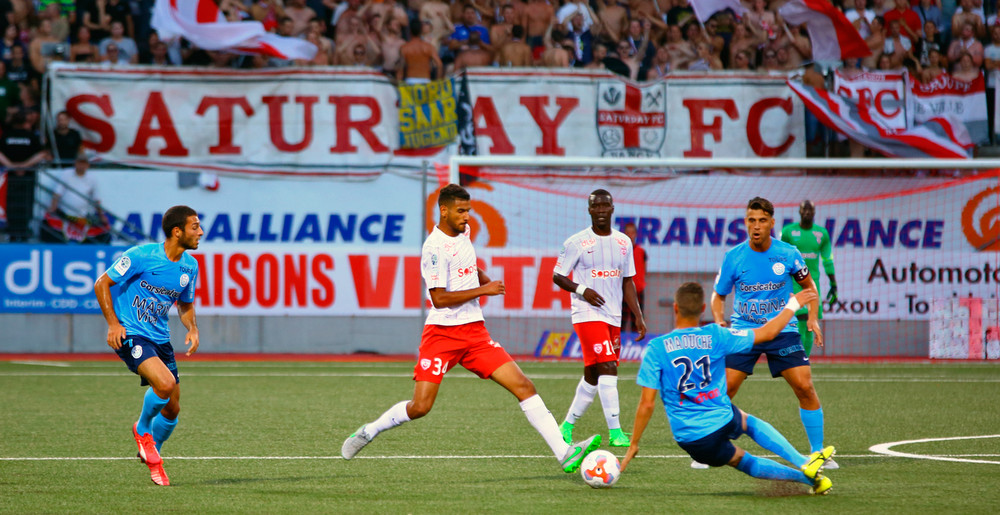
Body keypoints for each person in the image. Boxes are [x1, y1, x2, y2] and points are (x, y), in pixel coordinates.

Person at [341, 184, 602, 473]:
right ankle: (370, 430)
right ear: (444, 210)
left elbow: (468, 265)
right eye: (461, 211)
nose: (467, 217)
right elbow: (439, 299)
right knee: (420, 407)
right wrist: (484, 290)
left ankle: (564, 453)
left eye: (468, 211)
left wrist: (482, 278)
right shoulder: (434, 249)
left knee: (524, 386)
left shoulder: (463, 234)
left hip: (475, 334)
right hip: (442, 335)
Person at [620, 282, 835, 495]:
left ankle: (809, 479)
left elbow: (647, 403)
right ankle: (804, 462)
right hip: (722, 417)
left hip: (695, 438)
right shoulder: (716, 335)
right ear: (703, 309)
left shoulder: (656, 348)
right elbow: (767, 333)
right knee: (748, 422)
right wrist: (793, 304)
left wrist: (634, 444)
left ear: (675, 308)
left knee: (743, 460)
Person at [708, 197, 837, 469]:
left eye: (762, 221)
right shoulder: (734, 257)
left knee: (804, 385)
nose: (756, 226)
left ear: (772, 223)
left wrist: (812, 317)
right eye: (751, 220)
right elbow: (717, 297)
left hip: (782, 329)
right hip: (745, 331)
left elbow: (808, 286)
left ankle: (818, 453)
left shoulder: (788, 253)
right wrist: (719, 320)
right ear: (746, 223)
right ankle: (711, 447)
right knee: (725, 390)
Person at [93, 205, 203, 486]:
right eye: (195, 227)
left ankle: (153, 451)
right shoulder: (141, 255)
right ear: (177, 232)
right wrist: (114, 324)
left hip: (160, 338)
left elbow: (185, 304)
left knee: (173, 408)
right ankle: (143, 430)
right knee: (164, 385)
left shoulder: (190, 266)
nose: (200, 232)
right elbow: (102, 283)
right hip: (131, 334)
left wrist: (192, 327)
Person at [553, 189, 646, 448]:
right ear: (589, 210)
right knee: (608, 366)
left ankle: (566, 426)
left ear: (612, 208)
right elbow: (557, 275)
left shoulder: (624, 242)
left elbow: (627, 281)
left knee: (593, 374)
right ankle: (615, 432)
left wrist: (638, 316)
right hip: (586, 313)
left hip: (613, 315)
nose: (602, 210)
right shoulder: (576, 242)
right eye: (597, 206)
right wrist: (582, 290)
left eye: (606, 206)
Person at [780, 200, 837, 358]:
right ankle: (796, 357)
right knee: (800, 319)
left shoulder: (822, 234)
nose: (806, 213)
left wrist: (833, 283)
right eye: (804, 210)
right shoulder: (788, 232)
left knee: (809, 324)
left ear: (814, 212)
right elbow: (780, 256)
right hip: (794, 283)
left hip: (812, 283)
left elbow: (827, 259)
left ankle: (804, 359)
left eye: (809, 210)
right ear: (799, 212)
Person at [621, 221, 646, 334]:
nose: (630, 235)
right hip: (622, 292)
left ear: (636, 234)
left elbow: (644, 270)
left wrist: (639, 284)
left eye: (632, 233)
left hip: (638, 292)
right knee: (621, 322)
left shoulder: (641, 251)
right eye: (628, 233)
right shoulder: (620, 251)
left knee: (637, 322)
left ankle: (637, 346)